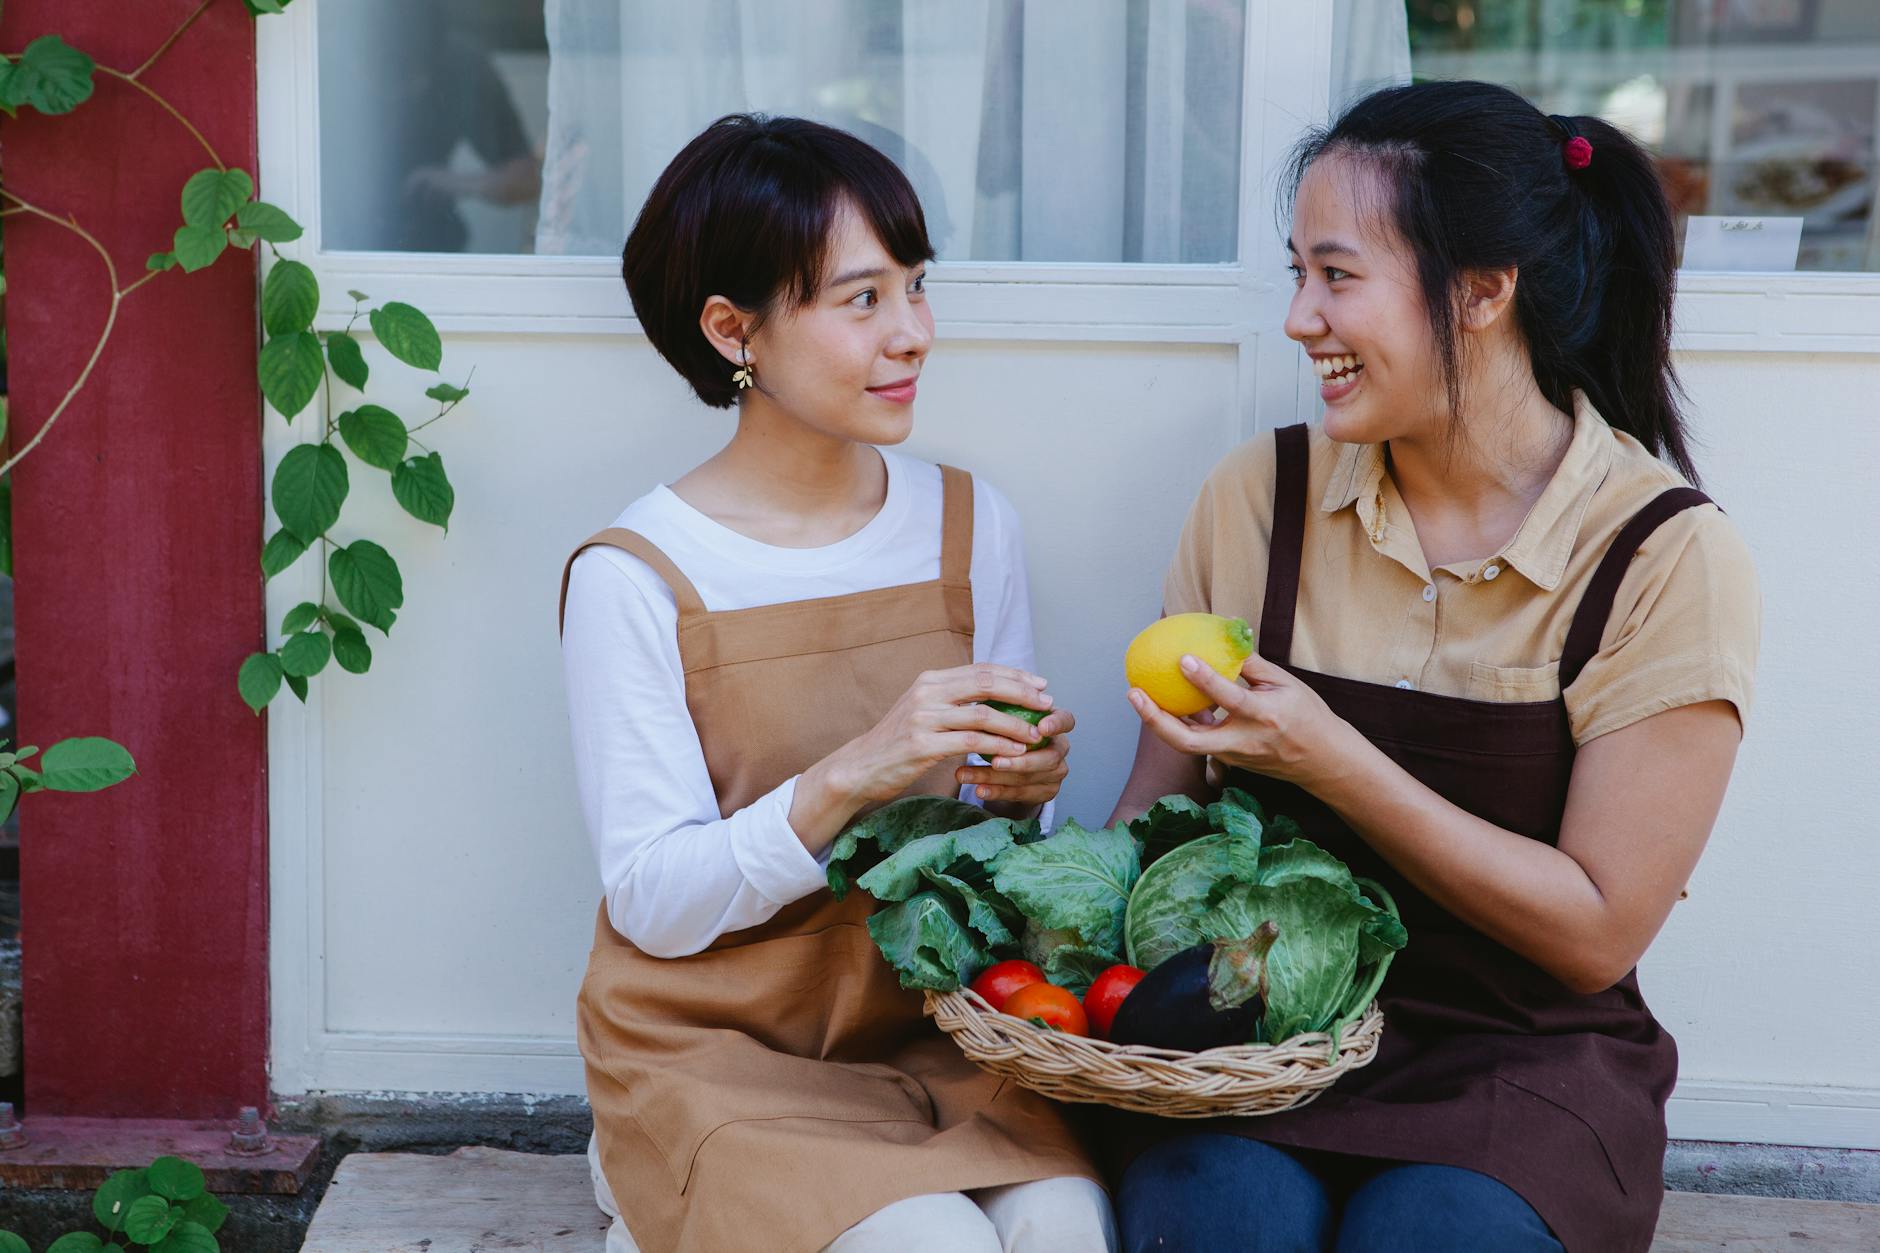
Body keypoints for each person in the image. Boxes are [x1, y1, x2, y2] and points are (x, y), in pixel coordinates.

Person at [1104, 81, 1760, 1252]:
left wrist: (1337, 763)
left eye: (1336, 275)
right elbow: (1155, 821)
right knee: (1212, 1219)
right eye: (1294, 273)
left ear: (1482, 288)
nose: (1300, 317)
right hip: (1264, 1033)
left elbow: (1595, 929)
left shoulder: (1660, 555)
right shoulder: (1261, 496)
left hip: (1523, 1056)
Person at [558, 114, 1116, 1253]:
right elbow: (654, 899)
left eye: (916, 286)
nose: (910, 333)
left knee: (1068, 1225)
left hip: (928, 1028)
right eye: (861, 300)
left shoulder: (970, 525)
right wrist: (857, 766)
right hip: (711, 1043)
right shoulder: (637, 574)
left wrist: (1019, 796)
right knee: (935, 1246)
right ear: (733, 329)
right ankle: (654, 1171)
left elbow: (984, 851)